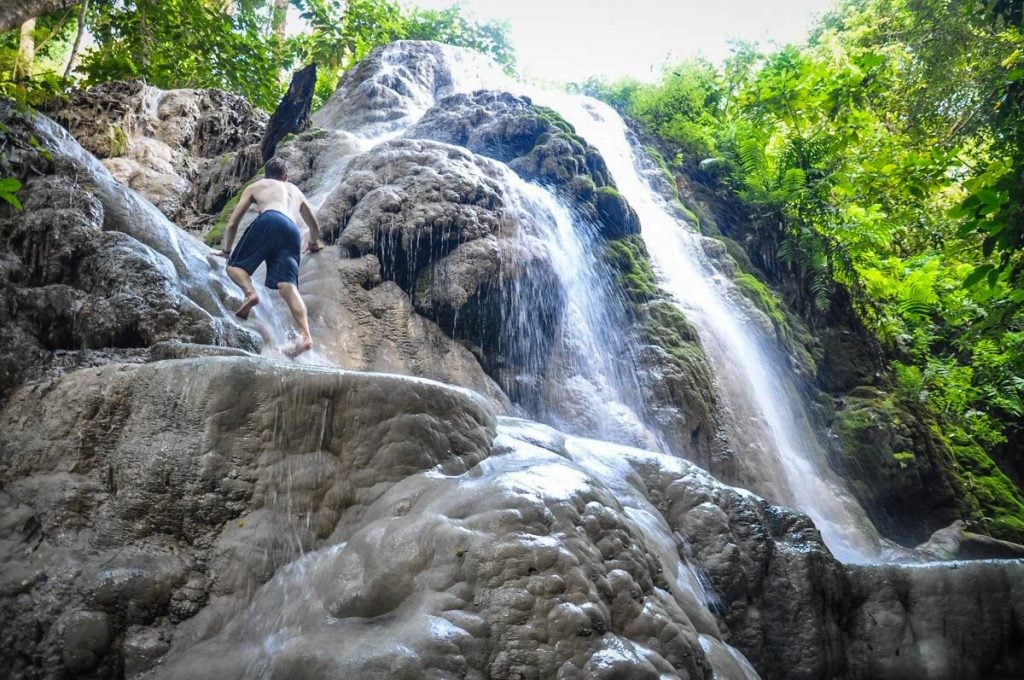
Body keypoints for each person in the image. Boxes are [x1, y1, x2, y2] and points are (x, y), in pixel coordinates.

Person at [216, 157, 323, 358]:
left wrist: (226, 251)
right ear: (286, 176)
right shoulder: (295, 191)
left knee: (234, 267)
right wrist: (313, 244)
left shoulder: (258, 185)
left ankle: (250, 293)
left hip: (269, 218)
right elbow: (314, 226)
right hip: (292, 230)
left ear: (266, 175)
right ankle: (305, 336)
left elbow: (233, 222)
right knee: (288, 287)